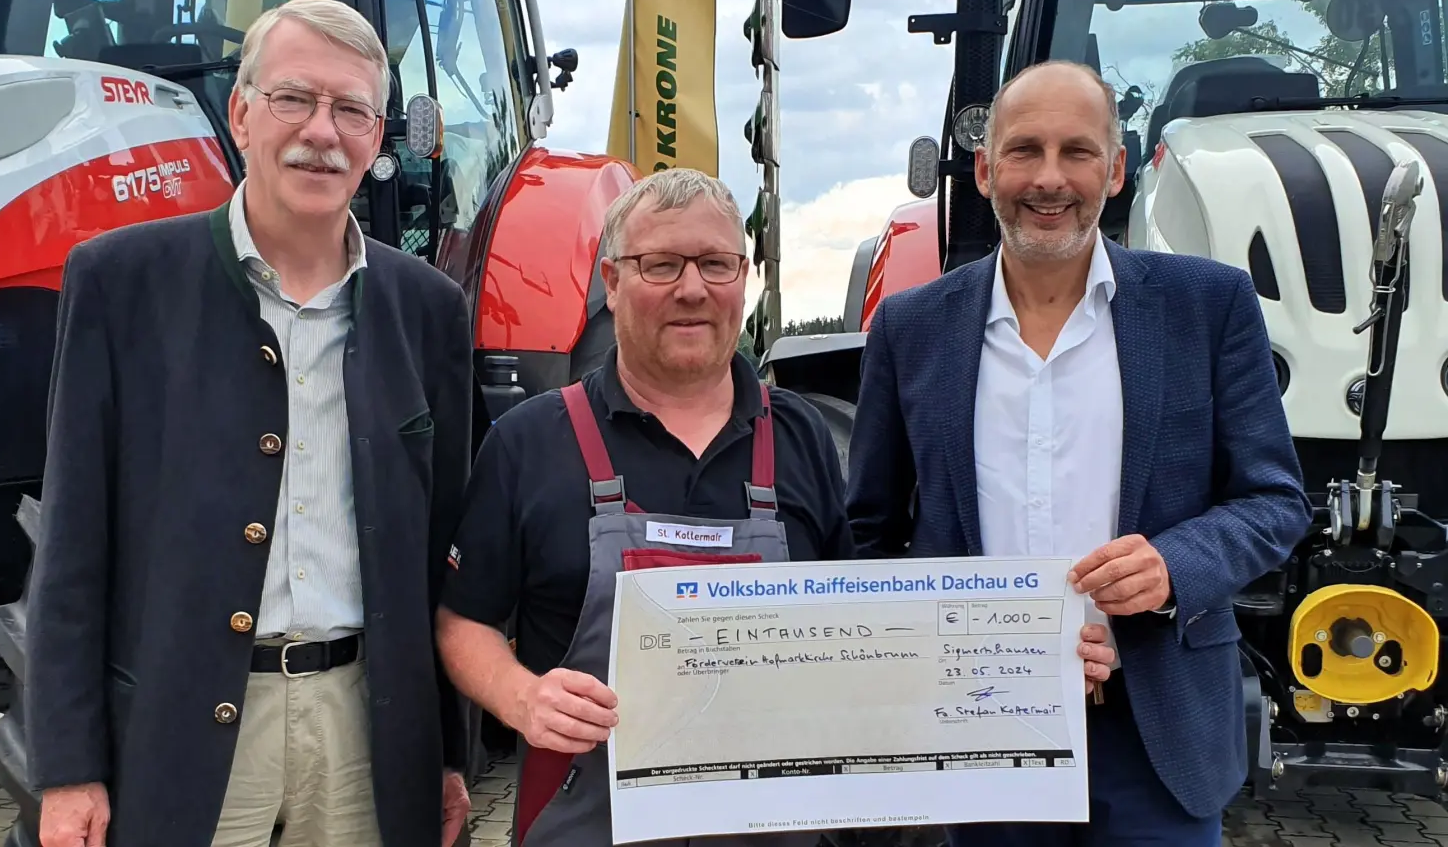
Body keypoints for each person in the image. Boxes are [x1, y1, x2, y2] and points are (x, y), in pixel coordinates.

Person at [430, 167, 1118, 846]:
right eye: (661, 265)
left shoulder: (799, 436)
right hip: (590, 823)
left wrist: (1039, 653)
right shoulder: (530, 441)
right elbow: (463, 622)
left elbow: (866, 639)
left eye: (715, 263)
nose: (692, 288)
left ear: (745, 275)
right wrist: (523, 698)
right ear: (611, 282)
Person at [26, 0, 474, 847]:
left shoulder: (430, 311)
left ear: (379, 137)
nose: (323, 131)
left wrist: (446, 753)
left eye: (351, 110)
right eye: (294, 99)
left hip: (364, 730)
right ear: (240, 112)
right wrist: (69, 767)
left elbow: (435, 558)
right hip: (180, 726)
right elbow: (73, 547)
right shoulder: (120, 285)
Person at [846, 59, 1314, 847]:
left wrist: (1172, 568)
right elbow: (872, 530)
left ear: (1117, 169)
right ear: (987, 169)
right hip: (983, 736)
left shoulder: (1208, 306)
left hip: (1155, 722)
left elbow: (1274, 501)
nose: (1050, 179)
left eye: (1078, 152)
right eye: (1025, 151)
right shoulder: (910, 329)